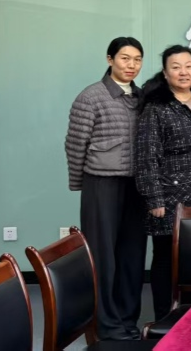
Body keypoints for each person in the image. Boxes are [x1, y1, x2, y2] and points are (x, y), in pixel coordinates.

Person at [64, 37, 147, 340]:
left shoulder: (142, 97)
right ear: (110, 59)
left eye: (137, 59)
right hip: (101, 183)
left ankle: (128, 319)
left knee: (132, 255)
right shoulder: (91, 96)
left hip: (136, 186)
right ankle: (107, 324)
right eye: (125, 58)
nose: (131, 65)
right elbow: (75, 144)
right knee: (103, 257)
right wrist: (79, 183)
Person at [134, 45, 191, 322]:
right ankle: (164, 317)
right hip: (168, 197)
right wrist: (154, 199)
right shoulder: (156, 107)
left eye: (188, 66)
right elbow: (146, 156)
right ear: (165, 73)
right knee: (165, 259)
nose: (183, 72)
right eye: (176, 67)